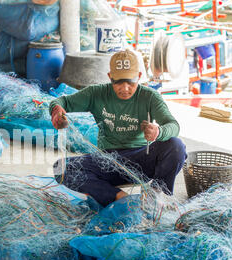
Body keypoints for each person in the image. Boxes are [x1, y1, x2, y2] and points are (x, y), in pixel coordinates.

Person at [50, 49, 187, 208]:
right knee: (61, 168)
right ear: (110, 77)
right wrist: (57, 111)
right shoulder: (97, 93)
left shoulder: (150, 97)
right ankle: (119, 198)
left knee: (176, 146)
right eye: (119, 82)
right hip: (107, 160)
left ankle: (155, 194)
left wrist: (159, 132)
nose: (125, 88)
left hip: (142, 158)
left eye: (131, 82)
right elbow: (61, 102)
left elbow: (173, 126)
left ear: (140, 77)